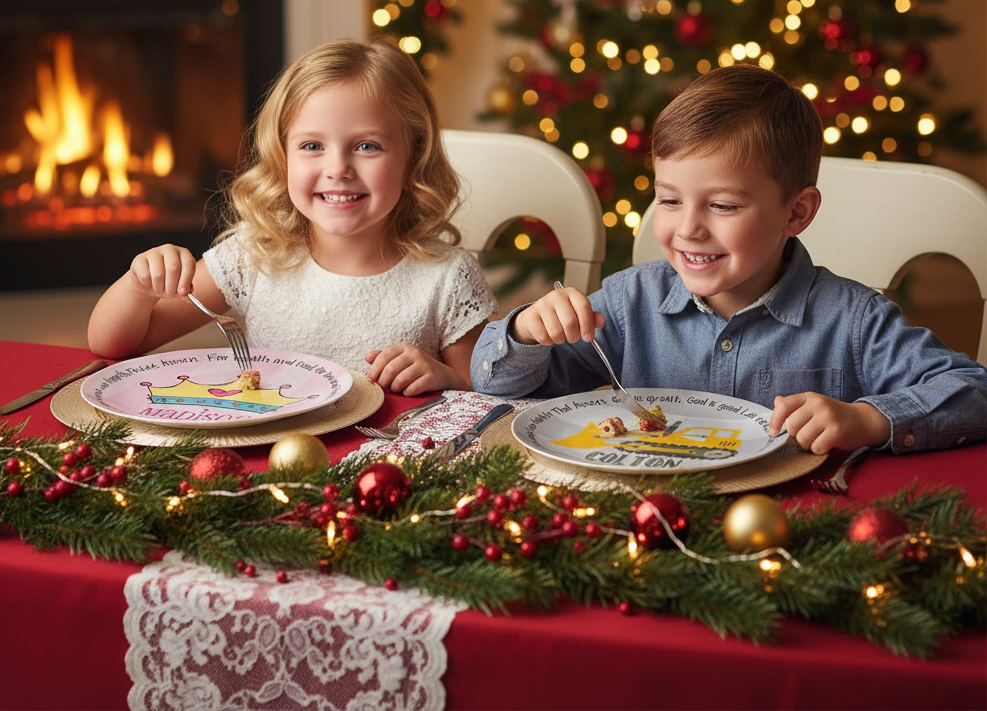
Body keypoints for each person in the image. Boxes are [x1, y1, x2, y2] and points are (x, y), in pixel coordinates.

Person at [471, 64, 987, 454]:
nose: (689, 228)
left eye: (722, 205)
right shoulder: (631, 302)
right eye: (670, 200)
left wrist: (870, 419)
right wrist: (523, 334)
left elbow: (973, 391)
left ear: (796, 212)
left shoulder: (853, 322)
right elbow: (497, 383)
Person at [89, 38, 496, 395]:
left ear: (413, 161)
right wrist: (139, 287)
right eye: (312, 146)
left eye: (368, 146)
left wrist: (444, 378)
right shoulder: (254, 257)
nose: (338, 168)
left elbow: (484, 391)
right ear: (283, 159)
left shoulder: (446, 278)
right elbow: (114, 344)